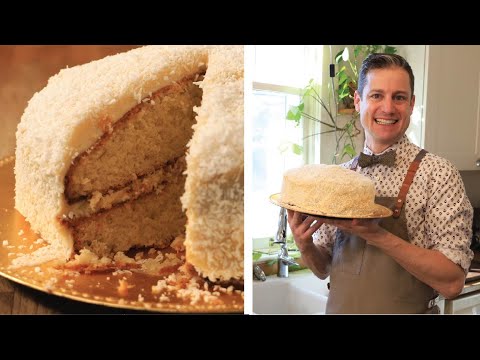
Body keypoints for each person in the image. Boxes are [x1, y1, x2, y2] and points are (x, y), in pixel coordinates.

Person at [287, 53, 474, 314]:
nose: (388, 108)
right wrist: (305, 245)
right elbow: (323, 268)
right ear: (358, 101)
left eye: (398, 97)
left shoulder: (438, 174)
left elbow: (453, 282)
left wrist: (376, 234)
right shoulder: (339, 178)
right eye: (376, 95)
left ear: (411, 104)